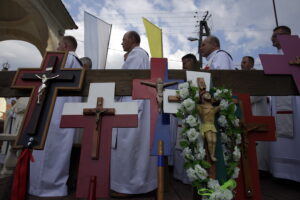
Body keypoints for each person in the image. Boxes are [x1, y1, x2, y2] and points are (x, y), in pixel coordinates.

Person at [29, 35, 83, 197]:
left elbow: (48, 78)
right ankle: (56, 186)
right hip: (67, 112)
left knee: (48, 149)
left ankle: (43, 188)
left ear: (66, 46)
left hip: (54, 110)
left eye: (59, 45)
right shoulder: (78, 64)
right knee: (60, 151)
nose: (57, 47)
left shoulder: (65, 59)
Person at [110, 31, 157, 197]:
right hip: (137, 101)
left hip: (132, 102)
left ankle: (127, 186)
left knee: (128, 144)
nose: (122, 43)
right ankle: (138, 184)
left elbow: (125, 79)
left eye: (124, 40)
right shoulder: (140, 55)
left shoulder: (136, 54)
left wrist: (112, 97)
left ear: (132, 40)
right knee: (136, 145)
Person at [268, 25, 300, 182]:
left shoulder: (297, 51)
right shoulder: (277, 55)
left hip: (295, 100)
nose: (272, 38)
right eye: (273, 36)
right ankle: (283, 174)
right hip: (280, 99)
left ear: (287, 36)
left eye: (276, 35)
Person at [197, 92, 220, 162]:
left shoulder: (213, 107)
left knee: (214, 140)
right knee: (210, 140)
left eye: (209, 94)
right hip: (206, 125)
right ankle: (212, 156)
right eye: (205, 94)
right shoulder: (200, 107)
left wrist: (221, 97)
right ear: (202, 98)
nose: (208, 94)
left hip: (212, 125)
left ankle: (213, 154)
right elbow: (195, 105)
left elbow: (221, 106)